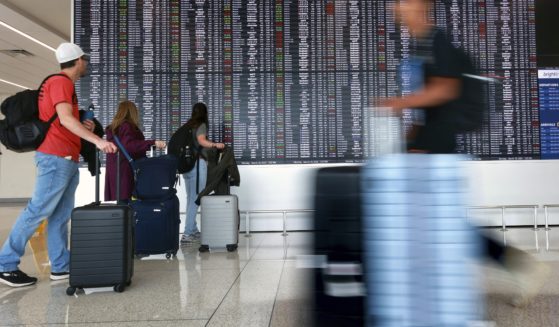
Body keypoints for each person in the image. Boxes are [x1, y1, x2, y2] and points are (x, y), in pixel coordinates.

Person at [381, 0, 549, 308]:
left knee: (441, 221)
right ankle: (515, 265)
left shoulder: (435, 40)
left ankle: (517, 266)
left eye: (404, 2)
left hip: (439, 146)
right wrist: (410, 136)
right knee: (438, 220)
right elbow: (431, 104)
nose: (397, 7)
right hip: (431, 143)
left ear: (421, 6)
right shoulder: (421, 45)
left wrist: (398, 103)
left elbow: (445, 90)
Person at [0, 43, 117, 288]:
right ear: (78, 60)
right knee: (38, 210)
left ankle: (61, 265)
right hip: (55, 158)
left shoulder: (62, 85)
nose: (87, 63)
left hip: (65, 158)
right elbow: (64, 118)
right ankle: (6, 264)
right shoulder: (61, 82)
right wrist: (97, 141)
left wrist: (84, 128)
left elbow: (64, 121)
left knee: (59, 216)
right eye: (85, 59)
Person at [181, 102, 225, 244]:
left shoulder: (187, 126)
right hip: (197, 165)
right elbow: (201, 141)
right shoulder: (201, 125)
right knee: (196, 199)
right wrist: (215, 145)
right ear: (204, 113)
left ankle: (192, 230)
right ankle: (187, 234)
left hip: (186, 166)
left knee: (190, 199)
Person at [104, 100, 166, 201]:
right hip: (126, 172)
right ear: (133, 112)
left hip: (114, 172)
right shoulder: (127, 126)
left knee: (119, 205)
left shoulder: (113, 129)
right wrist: (153, 143)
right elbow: (129, 145)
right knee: (129, 205)